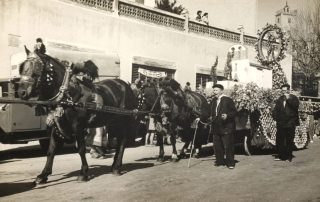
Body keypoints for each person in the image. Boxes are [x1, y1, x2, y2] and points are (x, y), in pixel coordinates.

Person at [209, 84, 237, 169]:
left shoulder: (228, 100)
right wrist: (209, 116)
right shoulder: (213, 100)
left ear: (221, 91)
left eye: (216, 90)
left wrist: (227, 115)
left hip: (226, 126)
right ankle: (220, 161)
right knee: (217, 145)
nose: (214, 92)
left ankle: (230, 163)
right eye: (214, 90)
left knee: (228, 145)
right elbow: (211, 111)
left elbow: (234, 112)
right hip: (216, 126)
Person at [272, 84, 300, 162]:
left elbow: (295, 107)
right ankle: (281, 155)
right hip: (281, 123)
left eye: (285, 90)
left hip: (290, 123)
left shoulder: (294, 98)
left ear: (288, 90)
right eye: (282, 91)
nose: (283, 92)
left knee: (289, 140)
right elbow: (275, 110)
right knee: (280, 140)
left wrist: (288, 99)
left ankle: (289, 156)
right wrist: (275, 118)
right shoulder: (280, 99)